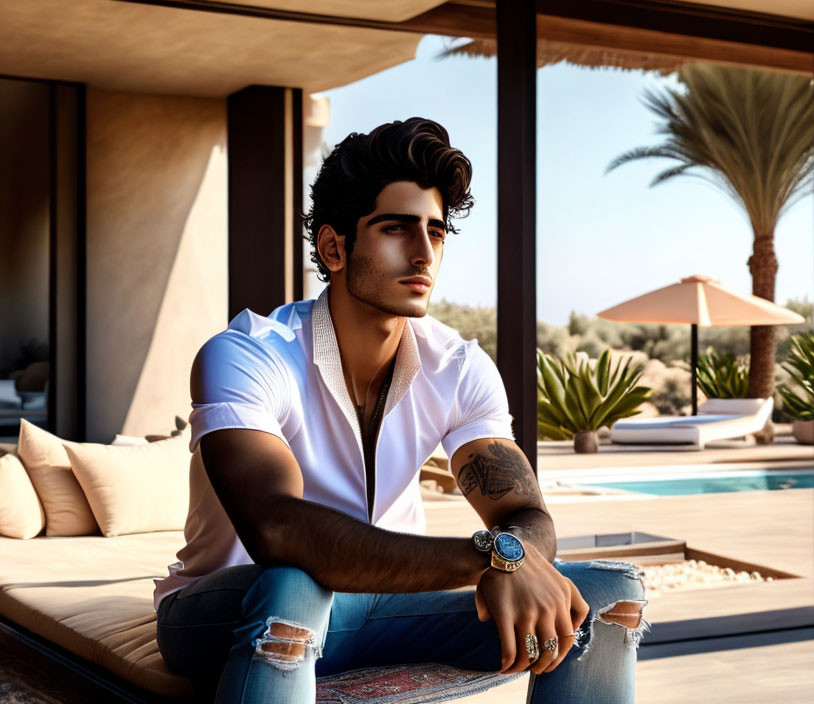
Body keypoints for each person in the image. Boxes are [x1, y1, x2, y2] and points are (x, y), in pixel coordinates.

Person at [153, 117, 648, 703]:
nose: (423, 253)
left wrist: (513, 561)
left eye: (436, 233)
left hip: (387, 609)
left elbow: (526, 515)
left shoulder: (457, 366)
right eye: (396, 229)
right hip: (234, 608)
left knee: (608, 592)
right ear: (334, 247)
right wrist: (489, 557)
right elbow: (279, 529)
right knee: (294, 587)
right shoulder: (248, 355)